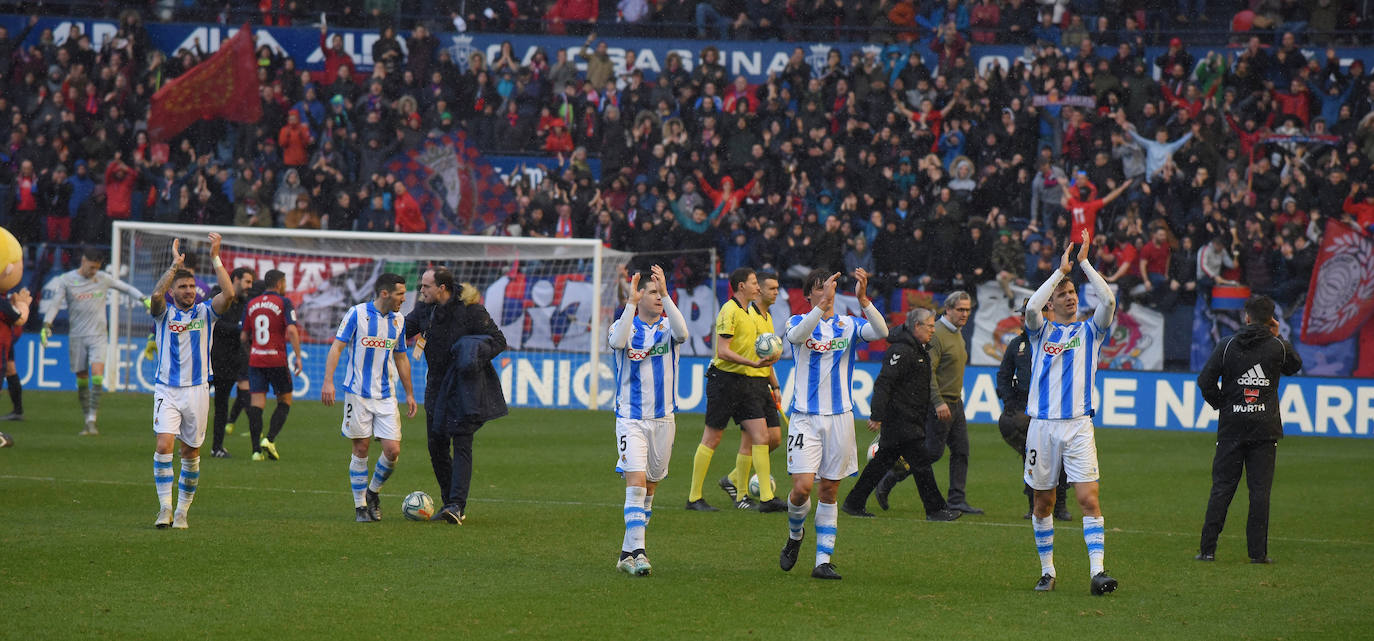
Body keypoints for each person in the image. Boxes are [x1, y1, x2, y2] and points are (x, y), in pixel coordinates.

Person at [1021, 229, 1118, 595]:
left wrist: (1083, 265)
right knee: (1043, 502)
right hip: (1042, 428)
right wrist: (1059, 274)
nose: (1070, 297)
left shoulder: (1091, 331)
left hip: (1079, 426)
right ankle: (1048, 571)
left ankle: (1098, 572)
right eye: (1063, 294)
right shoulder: (1039, 331)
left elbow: (1107, 301)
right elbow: (1031, 307)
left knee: (1088, 499)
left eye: (1073, 292)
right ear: (1052, 303)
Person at [779, 268, 888, 580]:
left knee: (829, 489)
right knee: (801, 489)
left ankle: (822, 560)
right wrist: (820, 306)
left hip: (840, 418)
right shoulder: (797, 322)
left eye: (831, 289)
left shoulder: (848, 325)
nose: (827, 294)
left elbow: (881, 332)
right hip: (805, 418)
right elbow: (796, 338)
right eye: (820, 288)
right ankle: (795, 536)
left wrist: (864, 300)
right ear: (808, 294)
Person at [1195, 295, 1303, 564]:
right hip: (1264, 430)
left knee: (1222, 488)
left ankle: (1207, 550)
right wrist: (1279, 337)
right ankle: (1258, 554)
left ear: (1246, 316)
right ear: (1271, 319)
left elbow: (1205, 380)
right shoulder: (1276, 347)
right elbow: (1294, 367)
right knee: (1259, 492)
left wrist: (1223, 405)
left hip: (1232, 428)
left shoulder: (1228, 344)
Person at [404, 267, 507, 524]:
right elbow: (402, 330)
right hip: (436, 386)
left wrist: (472, 352)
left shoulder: (472, 310)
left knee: (462, 443)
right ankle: (449, 501)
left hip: (464, 387)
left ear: (442, 288)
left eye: (426, 286)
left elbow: (498, 340)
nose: (421, 291)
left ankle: (456, 505)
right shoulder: (424, 310)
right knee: (436, 446)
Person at [149, 233, 236, 529]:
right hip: (167, 389)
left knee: (190, 452)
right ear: (174, 290)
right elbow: (155, 297)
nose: (189, 291)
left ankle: (183, 510)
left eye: (191, 286)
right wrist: (174, 266)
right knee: (164, 445)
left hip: (198, 390)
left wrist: (215, 257)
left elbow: (230, 295)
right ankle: (165, 507)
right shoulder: (164, 314)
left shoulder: (205, 312)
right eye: (183, 287)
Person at [840, 308, 961, 522]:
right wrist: (877, 415)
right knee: (921, 464)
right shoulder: (902, 351)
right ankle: (935, 509)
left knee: (881, 463)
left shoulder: (916, 349)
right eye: (930, 326)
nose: (933, 330)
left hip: (910, 418)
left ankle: (853, 502)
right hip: (901, 419)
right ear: (917, 327)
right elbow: (884, 383)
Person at [608, 265, 689, 576]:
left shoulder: (668, 330)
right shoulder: (624, 327)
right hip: (630, 418)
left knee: (651, 487)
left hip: (663, 419)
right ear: (639, 296)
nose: (657, 297)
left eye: (660, 292)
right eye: (652, 292)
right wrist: (630, 302)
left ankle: (626, 553)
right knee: (637, 483)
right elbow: (617, 343)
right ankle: (640, 552)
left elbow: (684, 333)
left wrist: (668, 295)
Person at [320, 273, 418, 522]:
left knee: (393, 450)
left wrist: (409, 393)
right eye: (400, 294)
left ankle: (373, 491)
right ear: (385, 293)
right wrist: (328, 381)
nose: (403, 299)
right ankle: (360, 506)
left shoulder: (399, 320)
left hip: (386, 395)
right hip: (357, 394)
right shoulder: (357, 314)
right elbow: (337, 347)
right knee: (361, 447)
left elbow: (401, 357)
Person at [686, 267, 784, 512]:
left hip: (745, 382)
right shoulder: (729, 310)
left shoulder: (751, 314)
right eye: (754, 283)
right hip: (724, 380)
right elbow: (723, 351)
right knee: (712, 437)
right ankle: (694, 497)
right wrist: (753, 363)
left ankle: (764, 499)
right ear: (741, 286)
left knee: (761, 437)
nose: (758, 288)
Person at [875, 291, 982, 514]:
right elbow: (928, 372)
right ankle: (888, 479)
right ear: (948, 309)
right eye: (960, 309)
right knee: (931, 453)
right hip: (939, 404)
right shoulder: (938, 335)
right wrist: (938, 402)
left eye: (968, 309)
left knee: (961, 451)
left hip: (955, 402)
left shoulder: (956, 333)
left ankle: (956, 500)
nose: (965, 314)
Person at [41, 249, 148, 435]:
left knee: (98, 375)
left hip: (98, 336)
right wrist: (46, 325)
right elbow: (56, 303)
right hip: (77, 336)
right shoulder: (66, 280)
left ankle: (92, 419)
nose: (93, 272)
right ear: (83, 260)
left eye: (96, 268)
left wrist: (144, 299)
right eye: (91, 267)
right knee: (82, 379)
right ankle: (86, 417)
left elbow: (126, 288)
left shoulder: (103, 278)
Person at [997, 299, 1071, 520]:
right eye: (1022, 314)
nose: (1022, 318)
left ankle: (1060, 506)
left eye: (1026, 314)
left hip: (1054, 408)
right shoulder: (1017, 345)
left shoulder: (1059, 340)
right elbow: (1003, 376)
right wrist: (1009, 403)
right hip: (1025, 407)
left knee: (1060, 457)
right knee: (1032, 459)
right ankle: (1033, 505)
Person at [720, 271, 786, 510]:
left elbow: (767, 359)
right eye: (770, 288)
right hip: (748, 383)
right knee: (755, 439)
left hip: (763, 384)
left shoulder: (767, 318)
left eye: (776, 288)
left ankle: (733, 479)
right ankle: (750, 493)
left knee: (774, 439)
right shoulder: (751, 316)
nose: (774, 292)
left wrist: (775, 384)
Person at [240, 270, 303, 462]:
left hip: (256, 360)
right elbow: (291, 330)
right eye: (284, 283)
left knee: (256, 404)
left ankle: (255, 451)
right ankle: (269, 439)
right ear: (279, 284)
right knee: (284, 400)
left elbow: (243, 336)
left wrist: (251, 350)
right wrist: (298, 357)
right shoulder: (283, 302)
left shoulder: (251, 304)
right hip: (276, 359)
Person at [208, 267, 255, 458]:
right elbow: (216, 324)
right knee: (195, 404)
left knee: (222, 406)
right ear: (235, 279)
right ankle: (184, 441)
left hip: (230, 362)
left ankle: (217, 447)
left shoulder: (244, 303)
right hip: (210, 359)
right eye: (247, 282)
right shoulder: (217, 295)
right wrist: (239, 329)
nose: (249, 286)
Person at [0, 288, 32, 420]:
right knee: (10, 369)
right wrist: (23, 306)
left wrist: (14, 306)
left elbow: (15, 319)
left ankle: (17, 411)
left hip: (4, 339)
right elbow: (19, 319)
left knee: (10, 369)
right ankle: (17, 410)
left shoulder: (4, 297)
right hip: (4, 339)